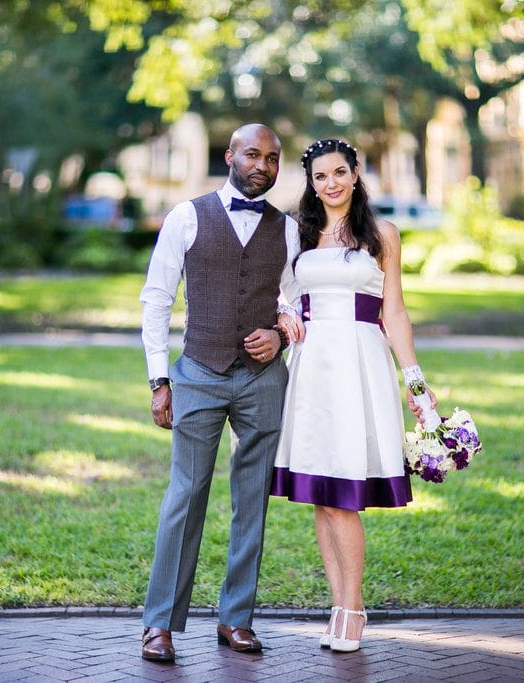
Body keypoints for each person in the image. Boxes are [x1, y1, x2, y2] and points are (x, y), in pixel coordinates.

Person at [139, 123, 302, 662]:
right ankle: (158, 624)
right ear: (230, 156)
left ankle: (237, 618)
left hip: (262, 382)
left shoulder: (288, 230)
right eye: (252, 155)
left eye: (273, 159)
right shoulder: (187, 217)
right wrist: (159, 379)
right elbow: (157, 299)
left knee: (252, 499)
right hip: (198, 374)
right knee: (184, 496)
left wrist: (279, 335)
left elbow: (295, 304)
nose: (263, 165)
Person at [271, 138, 437, 653]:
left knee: (344, 494)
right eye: (321, 177)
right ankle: (339, 604)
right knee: (321, 495)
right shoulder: (298, 234)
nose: (332, 184)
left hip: (358, 365)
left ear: (356, 171)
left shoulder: (382, 233)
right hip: (311, 367)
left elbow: (396, 314)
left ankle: (353, 609)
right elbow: (283, 296)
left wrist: (416, 383)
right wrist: (285, 314)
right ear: (311, 183)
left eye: (339, 172)